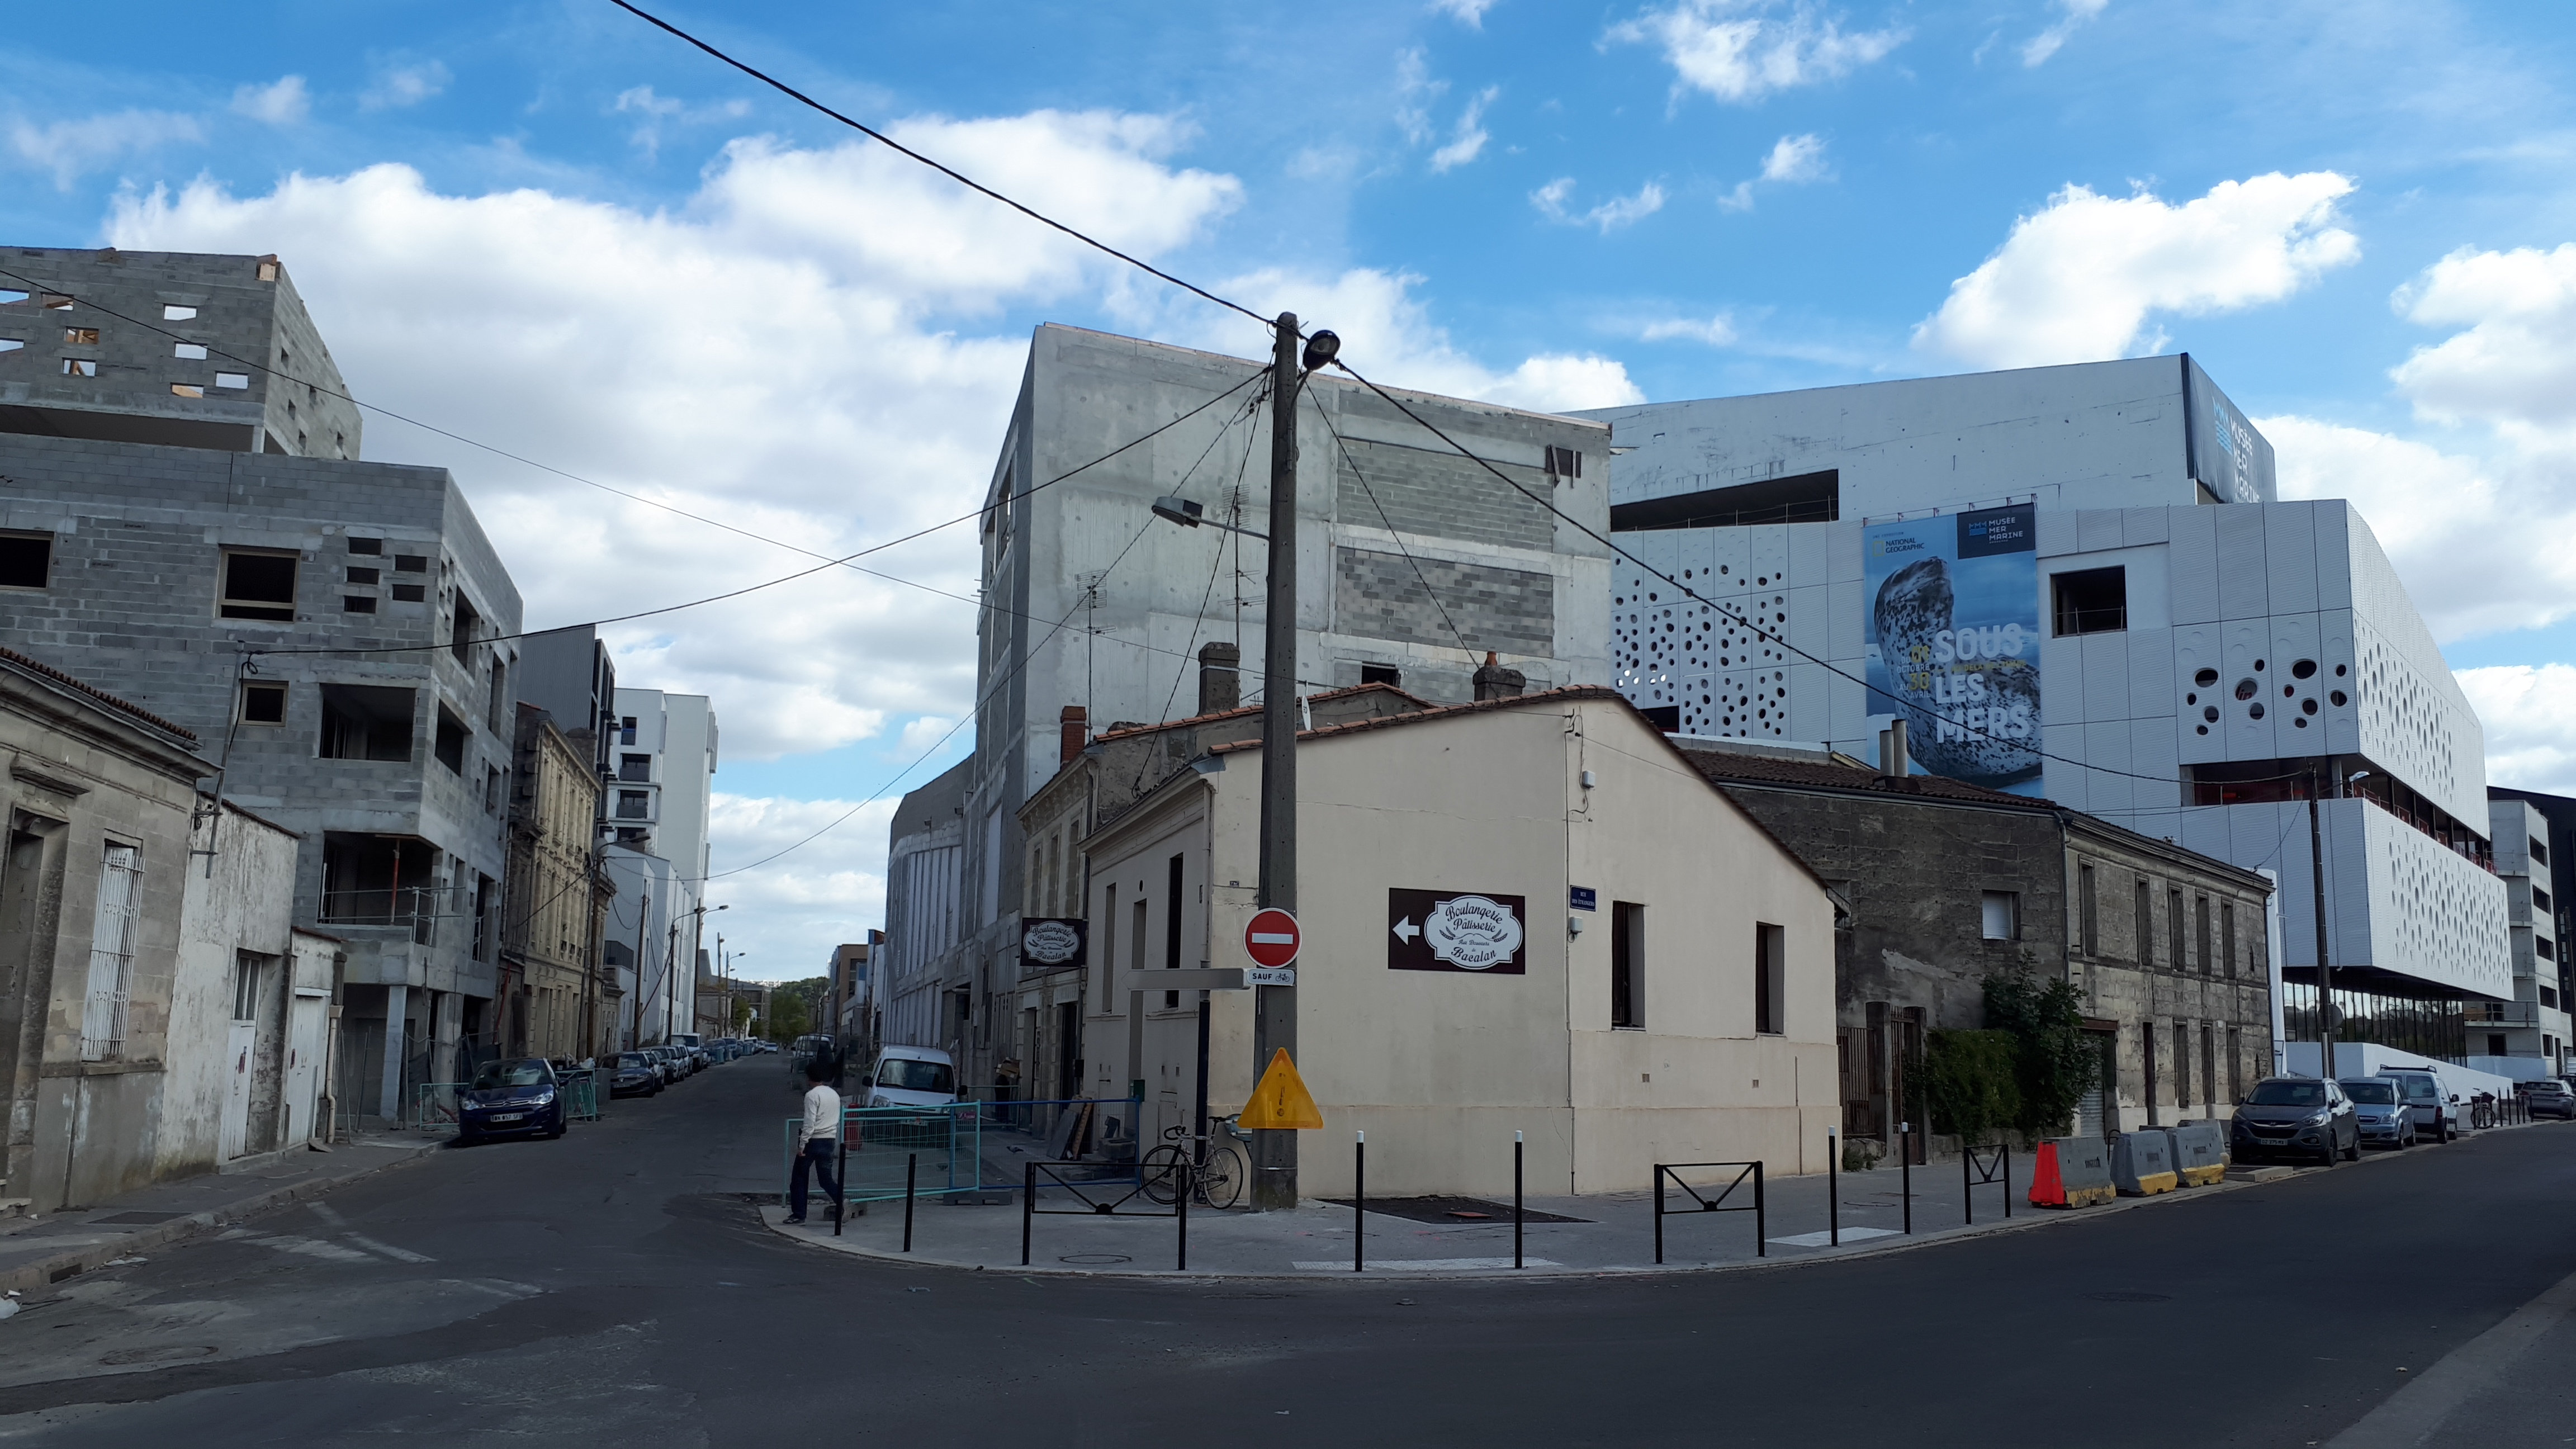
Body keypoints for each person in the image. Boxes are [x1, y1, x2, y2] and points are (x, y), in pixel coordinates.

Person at [786, 1060, 844, 1225]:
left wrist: (802, 1144)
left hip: (813, 1141)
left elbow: (809, 1122)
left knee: (799, 1177)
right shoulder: (834, 1094)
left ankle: (799, 1214)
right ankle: (842, 1199)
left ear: (809, 1077)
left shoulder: (812, 1095)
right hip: (829, 1139)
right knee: (825, 1179)